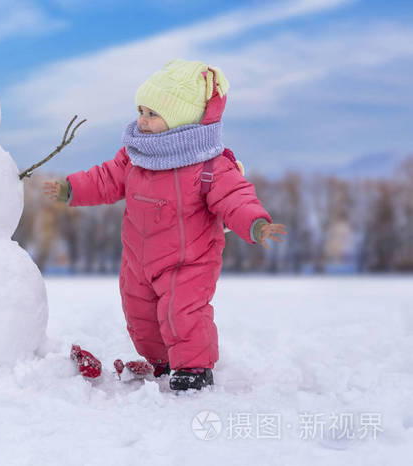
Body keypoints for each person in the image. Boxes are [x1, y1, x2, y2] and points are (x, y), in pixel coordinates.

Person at [44, 59, 287, 391]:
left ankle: (194, 368)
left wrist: (256, 224)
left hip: (190, 259)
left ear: (181, 118)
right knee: (139, 313)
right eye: (141, 111)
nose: (142, 120)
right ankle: (163, 362)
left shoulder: (209, 164)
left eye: (153, 114)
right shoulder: (135, 156)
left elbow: (235, 197)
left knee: (182, 311)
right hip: (139, 257)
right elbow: (105, 179)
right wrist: (71, 188)